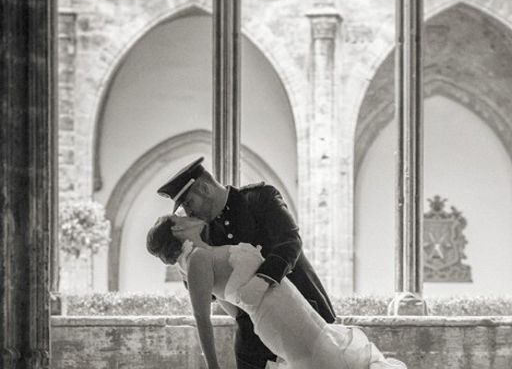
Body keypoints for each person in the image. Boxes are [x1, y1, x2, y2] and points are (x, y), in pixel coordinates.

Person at [147, 214, 406, 369]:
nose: (186, 214)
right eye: (179, 217)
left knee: (329, 355)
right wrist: (213, 367)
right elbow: (202, 318)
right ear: (177, 229)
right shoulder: (198, 259)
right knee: (322, 361)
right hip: (278, 318)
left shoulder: (203, 254)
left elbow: (233, 307)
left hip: (289, 307)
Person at [154, 157, 336, 369]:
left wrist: (262, 281)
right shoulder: (204, 234)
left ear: (204, 188)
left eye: (188, 203)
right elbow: (209, 292)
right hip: (256, 337)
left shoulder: (260, 199)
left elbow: (290, 242)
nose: (188, 212)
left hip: (305, 315)